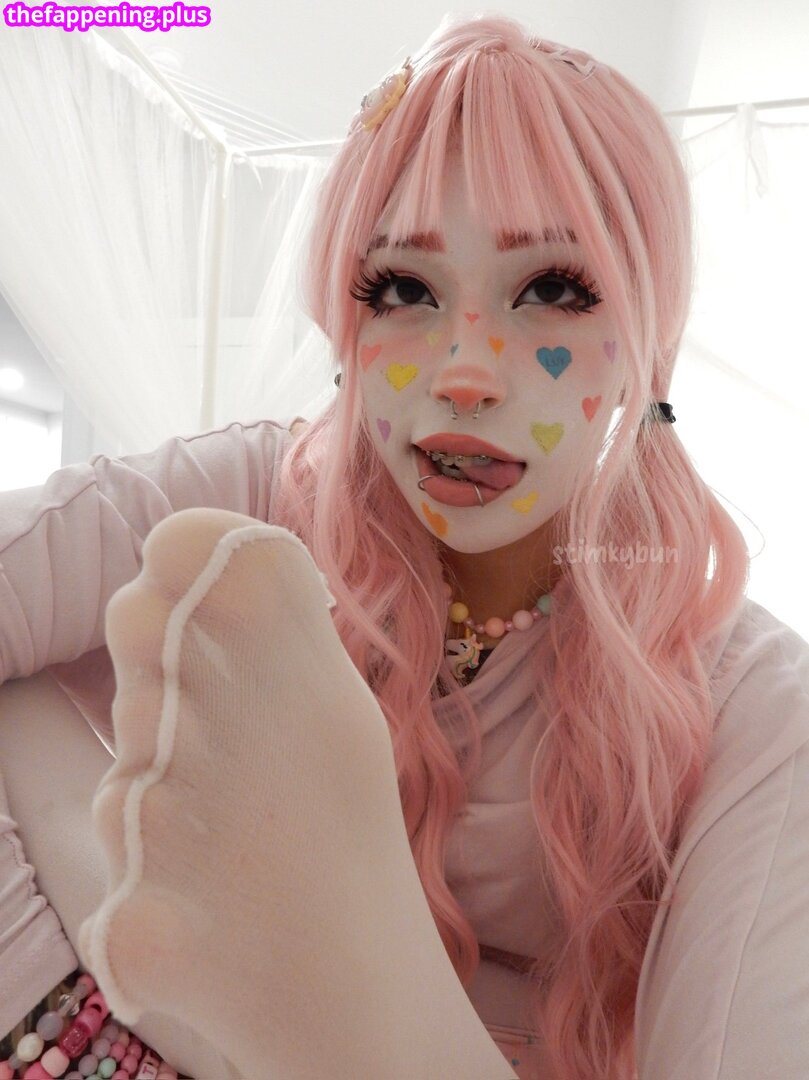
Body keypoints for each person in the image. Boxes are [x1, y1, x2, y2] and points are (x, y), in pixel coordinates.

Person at [1, 12, 808, 1080]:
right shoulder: (253, 496)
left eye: (551, 290)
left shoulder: (751, 700)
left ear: (642, 338)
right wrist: (62, 1018)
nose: (463, 375)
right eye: (403, 291)